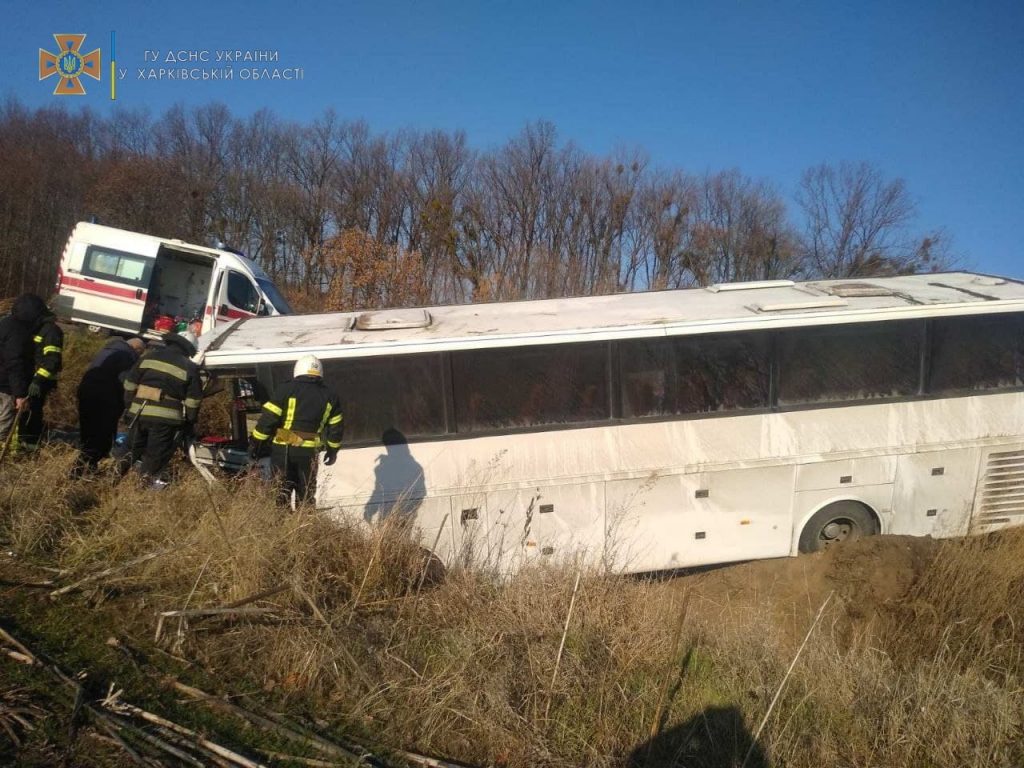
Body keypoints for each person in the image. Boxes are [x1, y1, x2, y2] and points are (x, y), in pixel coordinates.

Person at [249, 354, 343, 506]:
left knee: (280, 494)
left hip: (284, 450)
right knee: (306, 496)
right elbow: (336, 428)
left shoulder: (286, 389)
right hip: (310, 453)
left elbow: (269, 419)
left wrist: (256, 442)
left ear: (297, 370)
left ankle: (283, 527)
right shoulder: (330, 395)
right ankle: (303, 526)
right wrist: (333, 451)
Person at [121, 331, 203, 489]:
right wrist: (189, 422)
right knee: (154, 455)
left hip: (139, 413)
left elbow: (129, 385)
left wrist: (130, 408)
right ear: (189, 349)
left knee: (130, 449)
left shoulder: (148, 357)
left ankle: (111, 479)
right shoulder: (189, 367)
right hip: (165, 420)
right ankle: (142, 488)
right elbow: (193, 401)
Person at [74, 335, 147, 475]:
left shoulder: (108, 349)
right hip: (105, 400)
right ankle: (82, 470)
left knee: (88, 434)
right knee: (100, 436)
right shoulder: (127, 356)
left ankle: (85, 468)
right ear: (137, 349)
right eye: (140, 353)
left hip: (86, 394)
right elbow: (126, 384)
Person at [0, 294, 47, 448]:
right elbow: (15, 363)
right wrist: (20, 394)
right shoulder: (18, 332)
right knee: (3, 426)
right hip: (5, 387)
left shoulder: (5, 323)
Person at [17, 305, 64, 453]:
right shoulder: (38, 328)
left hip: (42, 380)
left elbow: (52, 360)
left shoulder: (51, 331)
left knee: (33, 411)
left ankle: (30, 444)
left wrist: (38, 380)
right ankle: (23, 441)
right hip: (33, 378)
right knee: (26, 411)